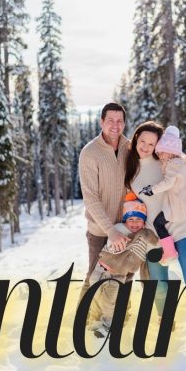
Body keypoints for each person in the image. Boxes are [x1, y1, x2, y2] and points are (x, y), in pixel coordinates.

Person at [125, 122, 186, 323]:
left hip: (182, 224)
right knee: (159, 286)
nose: (145, 147)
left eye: (152, 144)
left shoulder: (168, 161)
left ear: (159, 146)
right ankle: (166, 321)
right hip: (154, 233)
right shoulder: (130, 170)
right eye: (142, 141)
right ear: (135, 139)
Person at [86, 191, 160, 337]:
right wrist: (119, 243)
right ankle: (104, 316)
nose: (134, 223)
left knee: (109, 299)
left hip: (119, 274)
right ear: (125, 220)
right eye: (130, 219)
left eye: (138, 219)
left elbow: (156, 244)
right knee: (94, 288)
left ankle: (108, 324)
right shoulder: (120, 229)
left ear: (144, 221)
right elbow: (112, 246)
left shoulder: (145, 235)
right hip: (102, 266)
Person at [77, 102, 132, 298]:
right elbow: (91, 198)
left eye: (119, 121)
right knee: (95, 278)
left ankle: (120, 317)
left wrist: (183, 160)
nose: (115, 125)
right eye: (110, 120)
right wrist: (111, 232)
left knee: (124, 278)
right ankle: (84, 318)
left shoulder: (130, 148)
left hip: (126, 228)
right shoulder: (90, 153)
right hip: (100, 231)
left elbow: (157, 157)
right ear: (101, 122)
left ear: (124, 124)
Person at [139, 125, 186, 264]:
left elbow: (168, 183)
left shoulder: (173, 164)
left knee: (158, 223)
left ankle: (170, 251)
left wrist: (151, 190)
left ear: (170, 152)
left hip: (178, 203)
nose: (159, 155)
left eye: (161, 152)